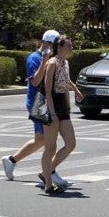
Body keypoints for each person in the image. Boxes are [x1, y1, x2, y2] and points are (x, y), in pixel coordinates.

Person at [2, 30, 59, 182]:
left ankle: (11, 160)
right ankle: (49, 173)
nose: (55, 48)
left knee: (40, 140)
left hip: (46, 102)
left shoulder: (54, 59)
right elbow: (35, 81)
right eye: (53, 44)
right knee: (50, 141)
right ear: (45, 43)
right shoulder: (34, 58)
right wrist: (45, 61)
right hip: (37, 103)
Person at [40, 34, 84, 194]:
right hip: (50, 104)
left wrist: (76, 90)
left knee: (71, 143)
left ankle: (47, 171)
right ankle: (48, 184)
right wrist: (52, 112)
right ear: (60, 47)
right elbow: (47, 89)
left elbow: (66, 80)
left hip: (62, 106)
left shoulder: (65, 62)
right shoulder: (51, 63)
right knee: (50, 147)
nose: (71, 48)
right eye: (69, 46)